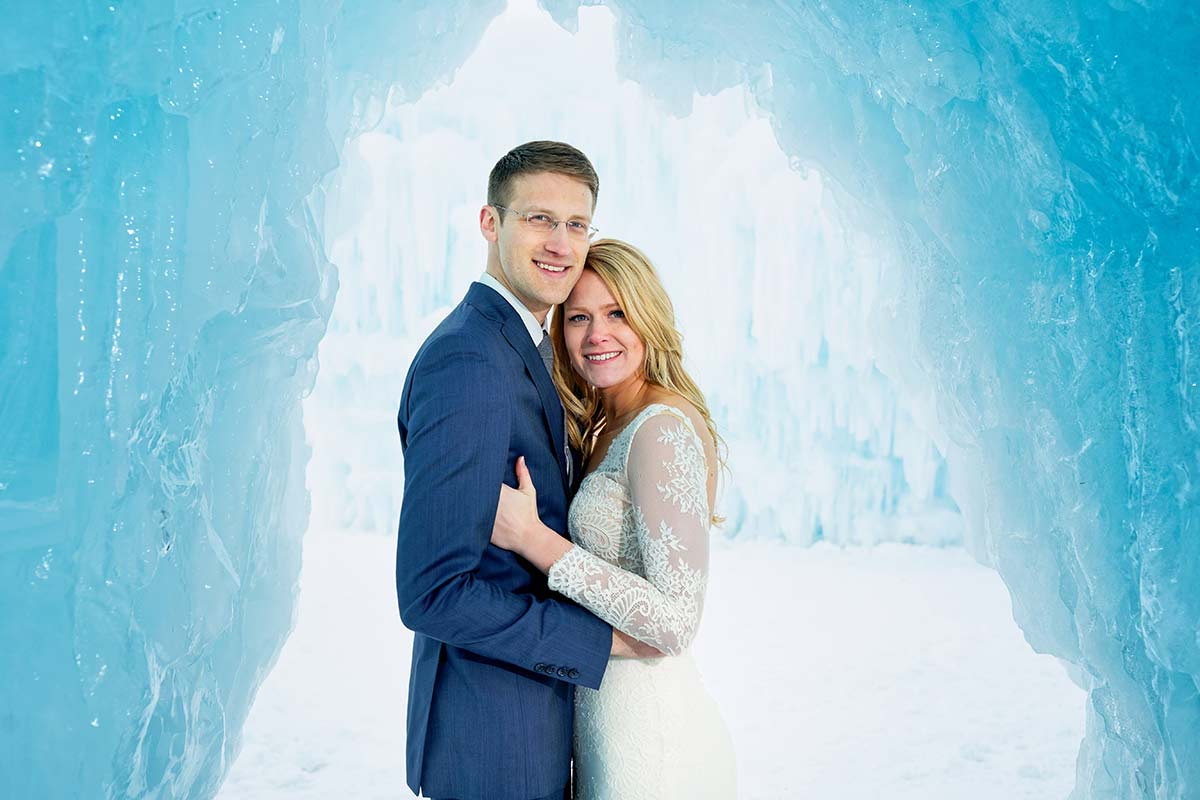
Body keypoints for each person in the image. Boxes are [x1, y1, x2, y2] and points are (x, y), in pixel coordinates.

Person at [395, 141, 656, 800]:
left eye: (576, 225)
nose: (560, 244)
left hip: (531, 730)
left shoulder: (526, 345)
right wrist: (603, 643)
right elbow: (433, 592)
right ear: (491, 223)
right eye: (540, 219)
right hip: (492, 743)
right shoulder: (470, 361)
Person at [490, 239, 738, 798]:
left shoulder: (660, 428)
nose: (597, 334)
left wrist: (534, 540)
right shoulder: (605, 425)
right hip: (606, 729)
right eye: (578, 317)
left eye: (617, 313)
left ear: (648, 317)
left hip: (652, 744)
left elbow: (676, 621)